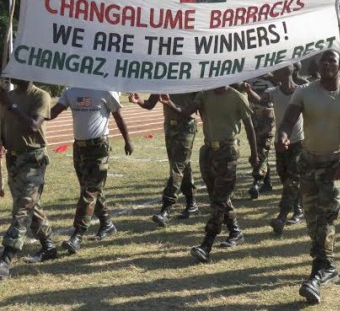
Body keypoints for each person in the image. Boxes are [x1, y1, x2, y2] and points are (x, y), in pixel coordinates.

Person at [277, 49, 340, 304]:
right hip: (308, 163)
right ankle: (324, 260)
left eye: (333, 60)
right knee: (311, 218)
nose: (328, 64)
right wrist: (282, 136)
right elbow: (288, 120)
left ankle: (321, 269)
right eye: (324, 60)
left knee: (327, 217)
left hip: (335, 165)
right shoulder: (304, 91)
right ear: (318, 65)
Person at [159, 86, 258, 263]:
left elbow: (249, 127)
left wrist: (255, 155)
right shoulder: (205, 95)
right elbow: (186, 112)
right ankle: (235, 231)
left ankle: (206, 245)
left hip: (228, 151)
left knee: (219, 200)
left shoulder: (237, 97)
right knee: (217, 197)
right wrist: (170, 103)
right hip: (208, 151)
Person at [50, 88, 133, 254]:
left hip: (99, 147)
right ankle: (107, 224)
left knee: (89, 191)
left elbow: (118, 117)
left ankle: (77, 235)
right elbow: (51, 114)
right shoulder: (71, 90)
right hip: (79, 148)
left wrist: (127, 140)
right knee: (92, 190)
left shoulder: (105, 91)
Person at [0, 79, 55, 279]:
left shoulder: (41, 96)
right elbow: (3, 123)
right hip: (13, 159)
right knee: (31, 204)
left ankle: (6, 257)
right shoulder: (10, 96)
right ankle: (48, 245)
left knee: (23, 208)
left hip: (33, 158)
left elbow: (33, 126)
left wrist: (11, 105)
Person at [246, 65, 304, 235]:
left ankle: (283, 216)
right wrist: (249, 91)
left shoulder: (300, 91)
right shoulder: (274, 91)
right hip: (281, 142)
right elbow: (261, 101)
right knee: (284, 175)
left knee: (293, 178)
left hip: (298, 142)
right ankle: (298, 206)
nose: (274, 73)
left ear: (288, 72)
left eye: (278, 71)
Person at [129, 92, 200, 227]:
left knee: (177, 167)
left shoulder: (191, 79)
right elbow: (150, 104)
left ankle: (166, 210)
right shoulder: (165, 79)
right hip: (169, 126)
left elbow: (189, 111)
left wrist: (170, 103)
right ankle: (191, 204)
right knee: (183, 165)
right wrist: (139, 101)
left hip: (186, 126)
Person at [245, 74, 277, 199]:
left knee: (262, 148)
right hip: (252, 114)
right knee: (258, 147)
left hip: (267, 114)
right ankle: (267, 182)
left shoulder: (271, 78)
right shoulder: (247, 76)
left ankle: (257, 182)